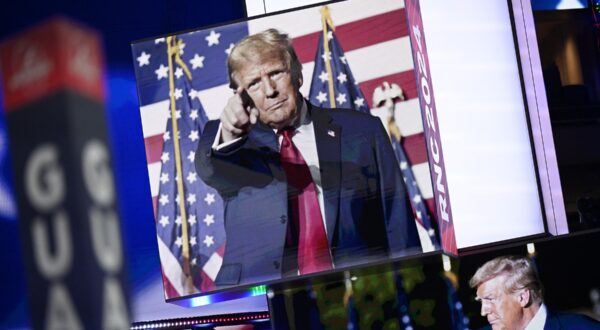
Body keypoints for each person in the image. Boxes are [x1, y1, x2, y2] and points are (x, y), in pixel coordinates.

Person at [196, 29, 421, 287]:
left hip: (359, 293)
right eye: (254, 83)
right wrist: (230, 132)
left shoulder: (363, 131)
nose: (269, 90)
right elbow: (210, 169)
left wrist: (411, 288)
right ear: (239, 94)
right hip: (260, 302)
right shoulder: (229, 143)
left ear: (297, 73)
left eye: (275, 73)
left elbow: (397, 223)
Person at [470, 255, 600, 330]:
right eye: (481, 301)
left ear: (523, 297)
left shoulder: (583, 327)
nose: (483, 311)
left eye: (490, 299)